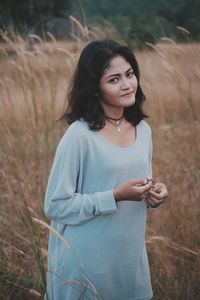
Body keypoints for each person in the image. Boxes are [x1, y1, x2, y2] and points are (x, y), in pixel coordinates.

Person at [44, 39, 168, 300]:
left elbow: (137, 187)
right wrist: (114, 196)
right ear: (95, 88)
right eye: (113, 79)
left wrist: (153, 195)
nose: (126, 84)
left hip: (128, 262)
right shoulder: (79, 135)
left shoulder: (143, 131)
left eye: (130, 74)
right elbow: (55, 206)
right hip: (86, 264)